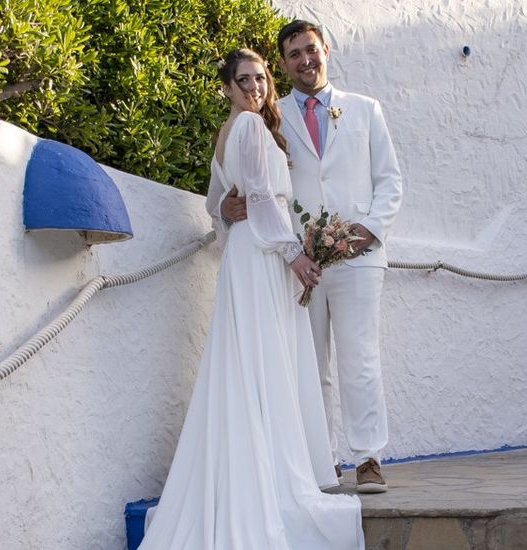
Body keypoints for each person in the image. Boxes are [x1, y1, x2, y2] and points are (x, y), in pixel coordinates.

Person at [138, 48, 364, 550]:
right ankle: (271, 485)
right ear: (227, 87)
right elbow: (261, 199)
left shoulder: (229, 131)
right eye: (245, 80)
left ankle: (247, 475)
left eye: (261, 78)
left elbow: (213, 201)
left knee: (246, 366)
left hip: (246, 254)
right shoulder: (250, 128)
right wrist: (296, 258)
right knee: (263, 365)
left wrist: (225, 206)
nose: (256, 87)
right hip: (263, 254)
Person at [220, 20, 403, 493]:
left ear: (326, 50)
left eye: (311, 50)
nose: (306, 60)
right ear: (283, 64)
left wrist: (370, 229)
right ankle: (319, 462)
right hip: (297, 263)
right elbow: (233, 181)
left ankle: (366, 459)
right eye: (294, 54)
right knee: (308, 362)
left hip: (357, 255)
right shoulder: (266, 114)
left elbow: (390, 180)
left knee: (360, 357)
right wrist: (223, 205)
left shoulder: (365, 110)